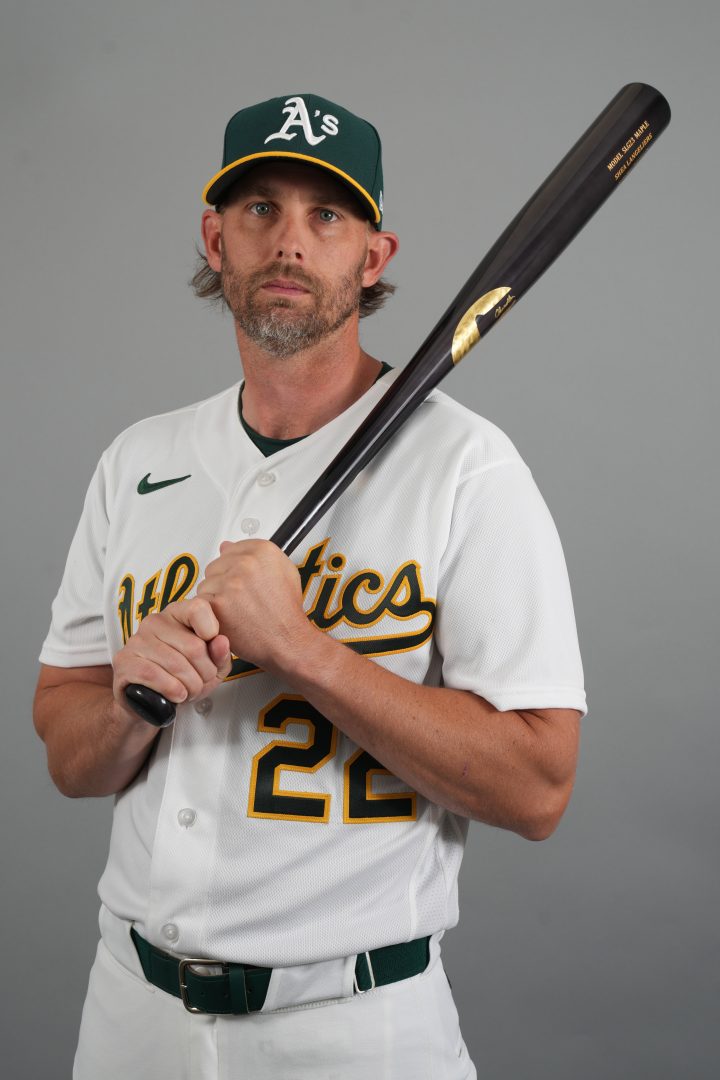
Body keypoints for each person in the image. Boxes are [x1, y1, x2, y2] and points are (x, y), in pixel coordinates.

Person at [34, 93, 587, 1080]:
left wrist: (303, 650)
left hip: (355, 1025)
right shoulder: (138, 461)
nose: (290, 240)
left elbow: (540, 788)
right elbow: (69, 759)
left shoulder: (467, 468)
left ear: (372, 259)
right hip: (130, 1017)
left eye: (326, 215)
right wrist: (127, 700)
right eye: (259, 210)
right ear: (216, 241)